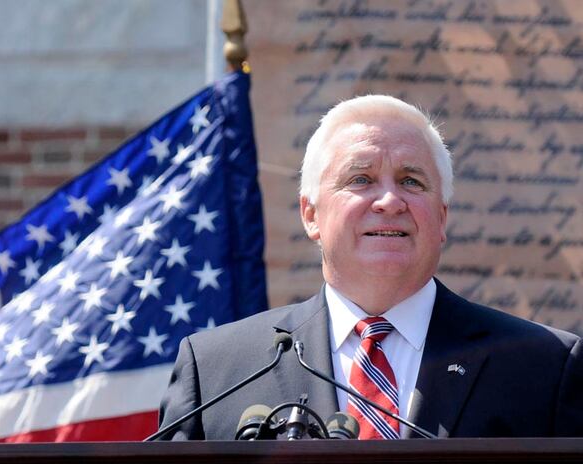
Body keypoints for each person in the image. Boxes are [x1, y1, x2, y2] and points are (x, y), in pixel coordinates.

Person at [158, 95, 583, 440]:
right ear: (311, 216)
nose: (389, 202)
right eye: (360, 180)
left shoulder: (546, 366)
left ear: (441, 218)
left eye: (411, 182)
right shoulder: (216, 371)